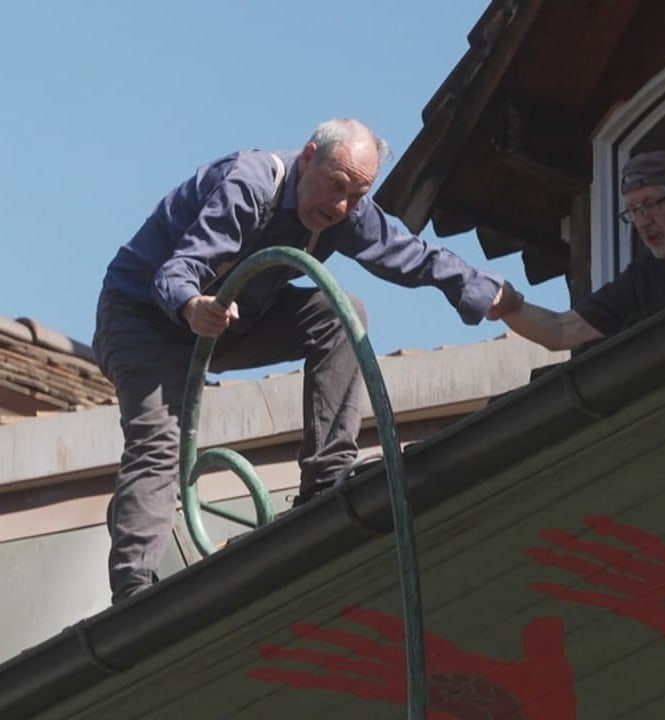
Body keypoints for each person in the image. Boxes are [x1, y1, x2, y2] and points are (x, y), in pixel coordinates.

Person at [93, 118, 520, 604]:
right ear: (308, 157)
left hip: (234, 322)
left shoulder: (345, 211)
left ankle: (326, 480)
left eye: (355, 197)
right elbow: (177, 272)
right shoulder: (250, 186)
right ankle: (133, 592)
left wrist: (485, 291)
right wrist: (194, 306)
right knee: (160, 440)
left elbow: (409, 254)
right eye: (335, 186)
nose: (340, 207)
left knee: (342, 314)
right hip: (145, 317)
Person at [490, 150, 665, 350]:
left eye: (651, 204)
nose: (642, 221)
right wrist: (509, 306)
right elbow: (563, 330)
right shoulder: (647, 276)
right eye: (633, 210)